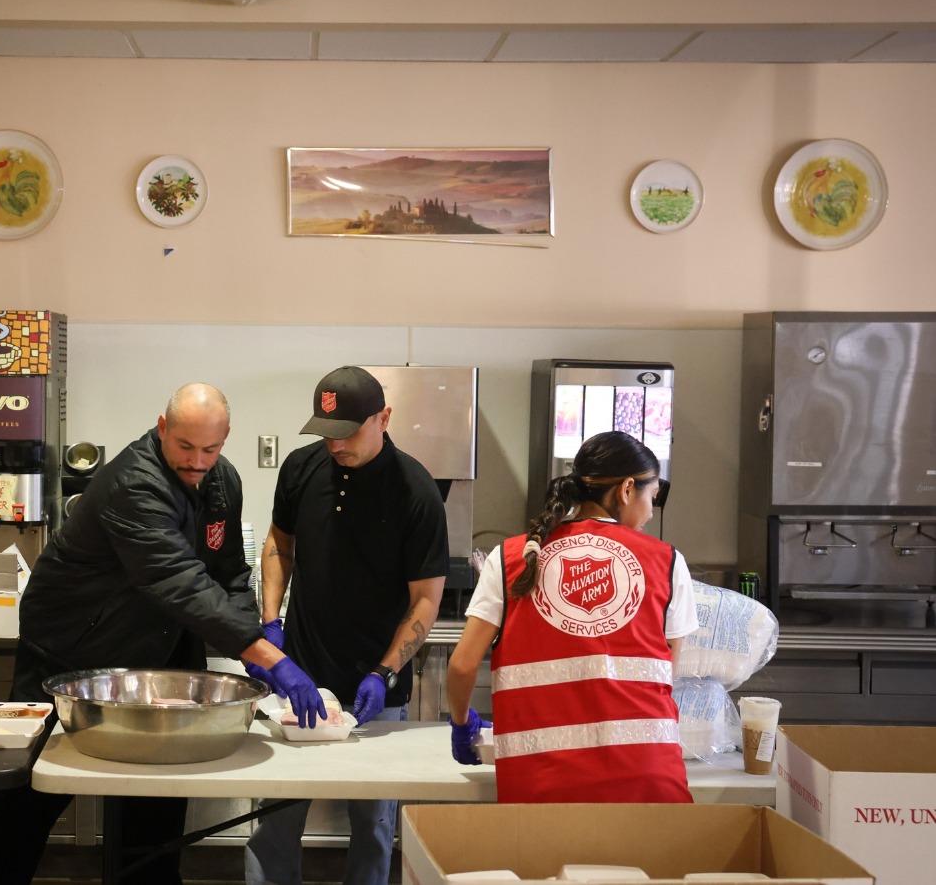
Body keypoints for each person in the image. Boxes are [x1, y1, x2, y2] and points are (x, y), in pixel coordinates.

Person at [0, 382, 324, 885]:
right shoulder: (133, 483)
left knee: (158, 790)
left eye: (211, 448)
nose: (197, 461)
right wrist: (271, 658)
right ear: (162, 429)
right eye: (185, 446)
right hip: (73, 648)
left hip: (160, 650)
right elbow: (179, 582)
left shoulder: (221, 480)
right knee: (34, 795)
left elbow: (226, 572)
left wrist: (252, 636)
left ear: (225, 440)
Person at [244, 366, 449, 885]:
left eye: (348, 432)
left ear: (384, 418)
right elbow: (279, 546)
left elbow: (425, 600)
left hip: (377, 686)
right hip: (300, 677)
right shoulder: (300, 468)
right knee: (274, 817)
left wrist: (384, 672)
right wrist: (271, 624)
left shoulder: (416, 492)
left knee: (375, 823)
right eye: (326, 433)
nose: (335, 446)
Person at [446, 430, 698, 803]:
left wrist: (461, 722)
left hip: (541, 780)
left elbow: (463, 666)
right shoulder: (667, 561)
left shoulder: (510, 558)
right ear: (628, 489)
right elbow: (667, 674)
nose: (648, 513)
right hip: (646, 777)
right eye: (652, 497)